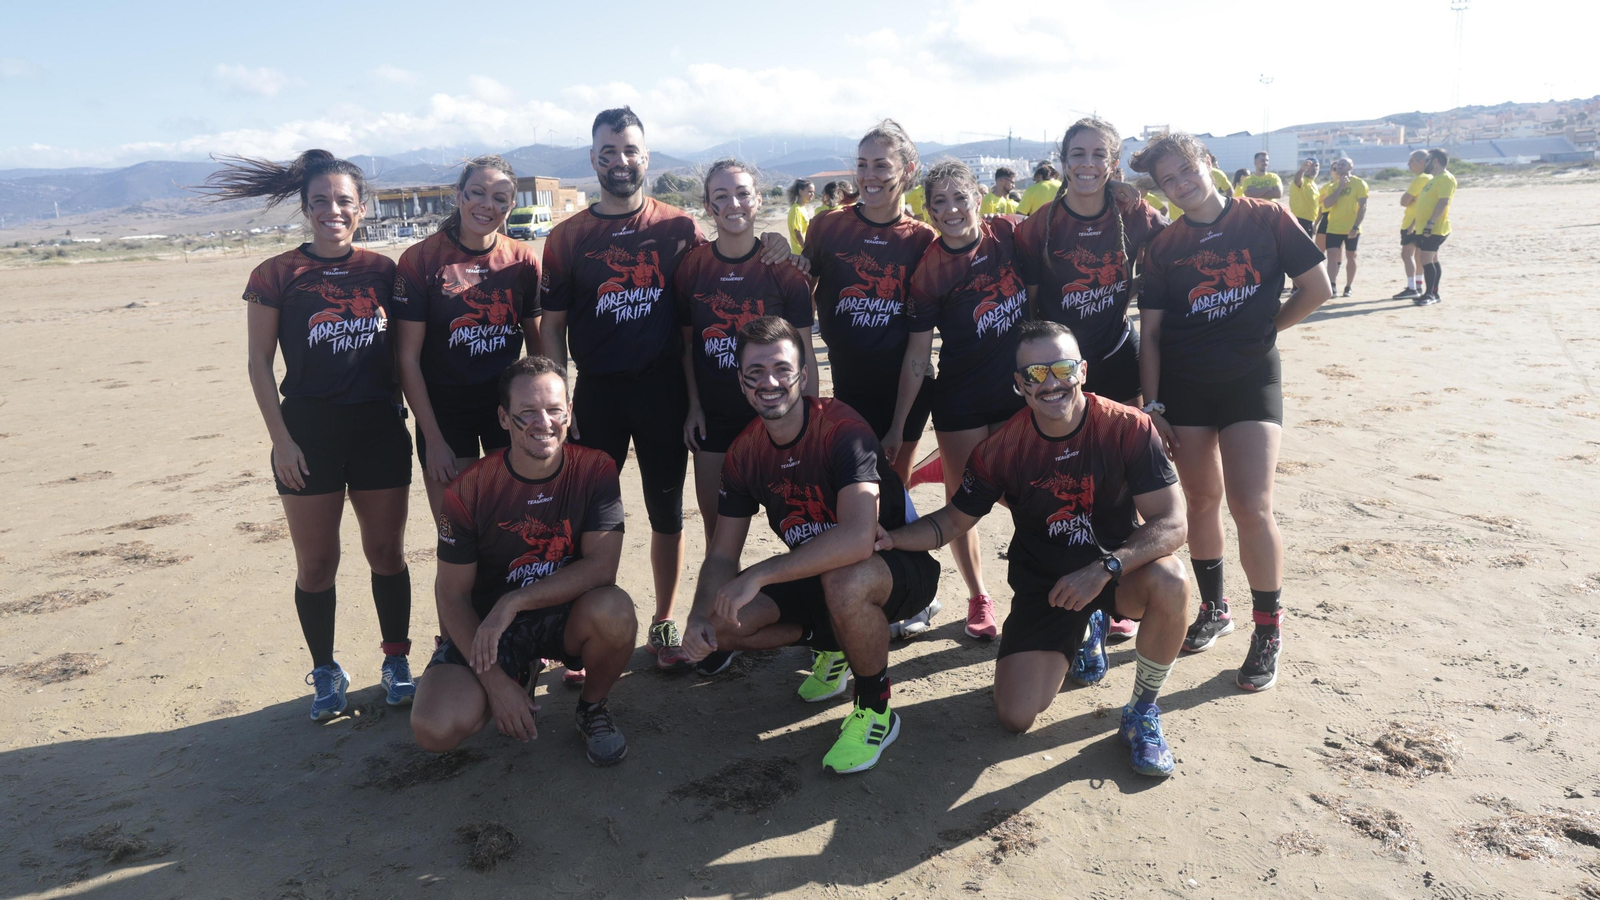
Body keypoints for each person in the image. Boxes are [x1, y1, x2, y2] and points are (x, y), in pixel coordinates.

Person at [541, 107, 796, 672]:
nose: (620, 161)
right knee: (583, 516)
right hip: (597, 395)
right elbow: (552, 327)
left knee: (666, 512)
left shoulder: (678, 228)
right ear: (593, 159)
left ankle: (663, 620)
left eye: (630, 150)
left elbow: (730, 248)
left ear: (646, 157)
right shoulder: (565, 238)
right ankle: (575, 632)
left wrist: (778, 246)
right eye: (609, 152)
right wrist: (560, 396)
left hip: (664, 392)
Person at [875, 320, 1191, 776]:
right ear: (1019, 384)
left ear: (1082, 370)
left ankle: (1142, 711)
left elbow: (1173, 522)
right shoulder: (1001, 449)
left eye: (1062, 368)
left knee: (1172, 579)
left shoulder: (1127, 426)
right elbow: (954, 520)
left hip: (1115, 571)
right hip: (1048, 586)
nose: (1051, 383)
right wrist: (893, 538)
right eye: (1036, 374)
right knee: (1015, 716)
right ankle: (1084, 627)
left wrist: (1104, 569)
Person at [205, 150, 416, 720]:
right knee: (317, 565)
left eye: (344, 200)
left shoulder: (384, 271)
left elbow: (406, 354)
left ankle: (396, 661)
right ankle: (326, 670)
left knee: (386, 554)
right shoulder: (275, 274)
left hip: (379, 430)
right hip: (308, 437)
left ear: (362, 208)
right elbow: (258, 363)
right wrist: (281, 440)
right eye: (320, 201)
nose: (333, 211)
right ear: (305, 208)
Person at [679, 317, 940, 774]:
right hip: (818, 573)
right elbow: (721, 554)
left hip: (895, 566)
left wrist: (760, 574)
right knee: (721, 625)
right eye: (756, 372)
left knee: (844, 578)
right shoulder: (744, 452)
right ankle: (834, 642)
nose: (769, 382)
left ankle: (876, 709)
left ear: (802, 375)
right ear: (741, 382)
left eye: (782, 369)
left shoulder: (842, 429)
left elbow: (858, 538)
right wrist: (698, 617)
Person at [1129, 131, 1333, 693]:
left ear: (1208, 162)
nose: (1181, 184)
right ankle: (1215, 609)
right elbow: (1151, 335)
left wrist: (1265, 331)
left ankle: (1268, 628)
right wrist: (1153, 404)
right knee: (1200, 501)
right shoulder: (1164, 246)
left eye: (1186, 169)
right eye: (1168, 180)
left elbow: (1317, 288)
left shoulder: (1266, 217)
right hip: (1185, 386)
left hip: (1250, 380)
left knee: (1251, 504)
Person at [409, 357, 637, 766]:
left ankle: (592, 708)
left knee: (615, 610)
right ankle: (517, 672)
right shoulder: (468, 490)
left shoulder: (596, 468)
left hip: (562, 613)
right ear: (503, 417)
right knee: (434, 727)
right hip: (491, 626)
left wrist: (513, 602)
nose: (543, 423)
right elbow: (451, 594)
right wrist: (495, 683)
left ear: (569, 411)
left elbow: (602, 568)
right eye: (527, 411)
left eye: (554, 409)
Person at [1015, 117, 1167, 649]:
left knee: (1122, 477)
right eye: (1077, 154)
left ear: (1113, 162)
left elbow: (1175, 243)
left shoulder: (1133, 212)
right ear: (1063, 161)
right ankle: (1075, 589)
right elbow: (1028, 300)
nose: (1087, 163)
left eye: (1098, 154)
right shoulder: (1041, 225)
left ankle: (1117, 590)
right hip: (1059, 369)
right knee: (1068, 478)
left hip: (1117, 355)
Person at [903, 160, 1028, 641]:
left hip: (1021, 394)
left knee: (1031, 497)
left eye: (960, 197)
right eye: (940, 202)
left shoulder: (1009, 234)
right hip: (961, 400)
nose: (952, 209)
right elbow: (919, 355)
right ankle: (978, 596)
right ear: (929, 211)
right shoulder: (929, 271)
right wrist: (897, 425)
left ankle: (1038, 590)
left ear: (979, 198)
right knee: (964, 503)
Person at [395, 155, 541, 526]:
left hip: (506, 411)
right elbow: (407, 358)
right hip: (444, 415)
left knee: (511, 526)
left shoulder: (522, 260)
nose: (487, 205)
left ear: (510, 206)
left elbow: (539, 347)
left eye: (499, 198)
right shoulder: (420, 260)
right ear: (459, 194)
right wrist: (433, 439)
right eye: (477, 192)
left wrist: (543, 413)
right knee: (456, 531)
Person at [678, 159, 818, 548]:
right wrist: (694, 407)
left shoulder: (786, 271)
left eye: (742, 193)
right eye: (721, 196)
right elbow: (687, 346)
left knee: (805, 533)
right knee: (719, 541)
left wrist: (809, 422)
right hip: (715, 422)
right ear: (708, 206)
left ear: (758, 199)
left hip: (778, 420)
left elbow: (805, 354)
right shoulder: (693, 267)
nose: (733, 203)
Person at [803, 119, 937, 486]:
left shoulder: (923, 239)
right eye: (862, 164)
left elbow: (923, 336)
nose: (868, 175)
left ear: (907, 170)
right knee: (852, 487)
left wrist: (898, 424)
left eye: (881, 165)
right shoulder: (828, 227)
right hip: (848, 384)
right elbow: (798, 293)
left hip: (907, 389)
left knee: (894, 489)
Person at [1406, 148, 1455, 307]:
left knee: (1425, 259)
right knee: (1432, 259)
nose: (1425, 163)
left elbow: (1443, 202)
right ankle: (1433, 293)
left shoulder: (1446, 178)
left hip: (1435, 228)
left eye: (1427, 160)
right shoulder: (1433, 179)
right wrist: (1414, 224)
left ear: (1435, 161)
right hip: (1424, 227)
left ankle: (1430, 294)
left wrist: (1430, 223)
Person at [1316, 158, 1368, 298]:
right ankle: (1332, 285)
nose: (1339, 166)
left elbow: (1363, 206)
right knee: (1332, 255)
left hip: (1351, 227)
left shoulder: (1359, 183)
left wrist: (1355, 226)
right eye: (1338, 165)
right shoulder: (1333, 186)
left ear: (1351, 167)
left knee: (1351, 256)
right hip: (1334, 227)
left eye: (1343, 164)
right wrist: (1340, 187)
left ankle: (1348, 286)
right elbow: (1327, 204)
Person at [1392, 150, 1432, 300]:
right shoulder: (1432, 178)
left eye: (1411, 161)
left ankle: (1412, 287)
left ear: (1421, 162)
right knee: (1419, 254)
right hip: (1424, 221)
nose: (1409, 164)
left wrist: (1410, 199)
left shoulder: (1421, 179)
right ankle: (1418, 284)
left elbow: (1404, 201)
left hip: (1412, 221)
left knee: (1407, 254)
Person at [1287, 158, 1320, 237]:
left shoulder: (1314, 184)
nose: (1314, 168)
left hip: (1309, 222)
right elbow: (1297, 180)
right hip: (1299, 221)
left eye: (1316, 166)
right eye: (1311, 165)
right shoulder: (1302, 180)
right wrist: (1301, 170)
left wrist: (1314, 223)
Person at [785, 178, 815, 254]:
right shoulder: (796, 210)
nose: (812, 194)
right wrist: (807, 251)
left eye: (813, 192)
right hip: (800, 254)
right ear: (800, 191)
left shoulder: (803, 208)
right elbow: (798, 234)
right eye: (809, 192)